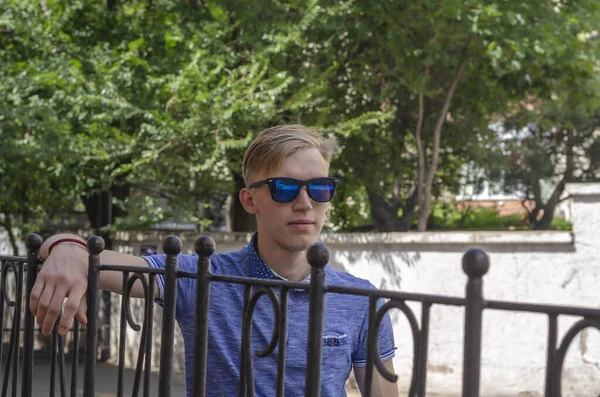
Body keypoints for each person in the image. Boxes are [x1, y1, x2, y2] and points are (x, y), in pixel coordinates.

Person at [30, 125, 398, 397]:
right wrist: (66, 247)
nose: (305, 203)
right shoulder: (205, 277)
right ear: (250, 201)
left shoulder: (360, 299)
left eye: (319, 188)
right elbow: (105, 263)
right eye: (284, 188)